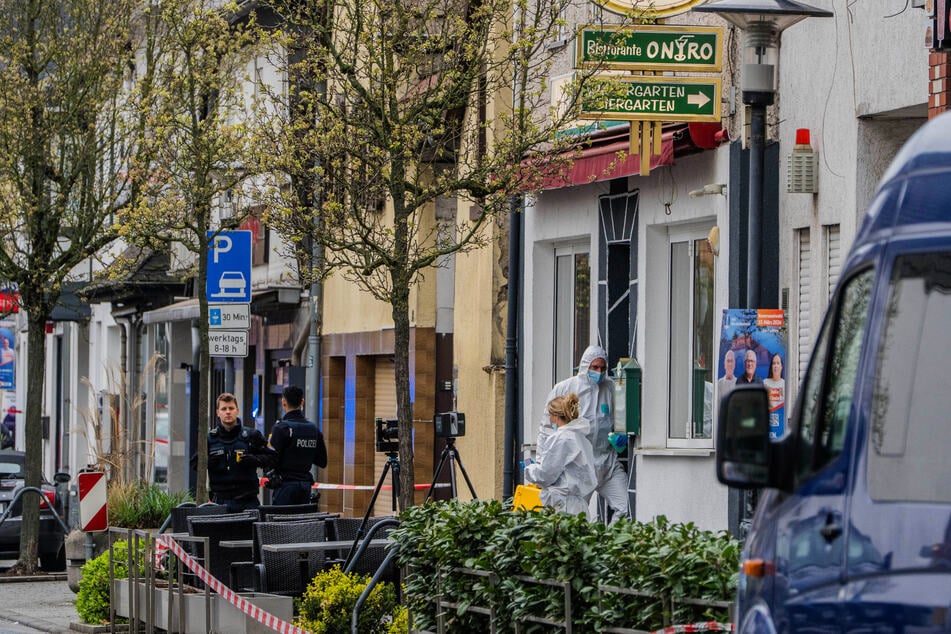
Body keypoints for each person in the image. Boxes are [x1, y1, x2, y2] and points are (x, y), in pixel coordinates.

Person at [537, 345, 628, 521]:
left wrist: (621, 436)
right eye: (595, 367)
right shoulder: (566, 388)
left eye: (602, 368)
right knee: (574, 518)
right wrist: (542, 462)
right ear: (585, 365)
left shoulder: (611, 388)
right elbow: (547, 428)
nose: (599, 372)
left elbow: (620, 419)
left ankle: (610, 539)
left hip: (606, 463)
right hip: (579, 467)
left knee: (625, 507)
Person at [524, 393, 597, 515]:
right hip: (578, 504)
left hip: (562, 505)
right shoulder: (581, 438)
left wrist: (529, 469)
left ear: (555, 416)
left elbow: (545, 475)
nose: (549, 419)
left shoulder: (561, 438)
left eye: (550, 415)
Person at [205, 392, 273, 512]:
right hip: (220, 502)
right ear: (217, 412)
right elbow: (195, 464)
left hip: (247, 502)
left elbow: (272, 458)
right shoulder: (210, 439)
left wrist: (255, 460)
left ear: (237, 410)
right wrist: (208, 462)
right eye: (224, 409)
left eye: (231, 408)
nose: (228, 412)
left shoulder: (252, 436)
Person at [267, 385, 328, 505]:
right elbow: (322, 461)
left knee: (280, 518)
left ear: (284, 402)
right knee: (302, 517)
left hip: (285, 487)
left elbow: (271, 460)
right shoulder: (313, 430)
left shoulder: (281, 428)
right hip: (305, 488)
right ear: (302, 402)